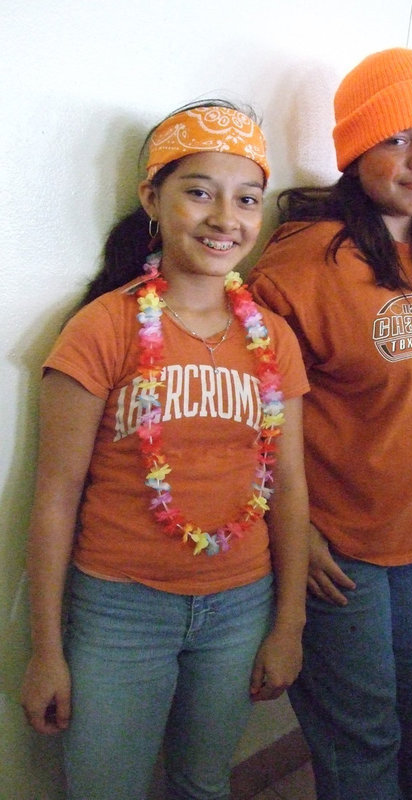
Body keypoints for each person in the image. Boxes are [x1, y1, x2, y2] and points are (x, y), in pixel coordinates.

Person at [20, 101, 310, 800]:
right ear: (153, 197)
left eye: (247, 199)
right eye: (198, 191)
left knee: (203, 784)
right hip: (120, 609)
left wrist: (288, 623)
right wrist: (46, 651)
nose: (225, 218)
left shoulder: (271, 336)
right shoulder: (103, 326)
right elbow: (55, 495)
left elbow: (291, 487)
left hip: (242, 603)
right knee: (103, 787)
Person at [249, 48, 412, 800]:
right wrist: (297, 533)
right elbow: (249, 427)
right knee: (365, 737)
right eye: (395, 139)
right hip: (334, 549)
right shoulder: (299, 268)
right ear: (354, 154)